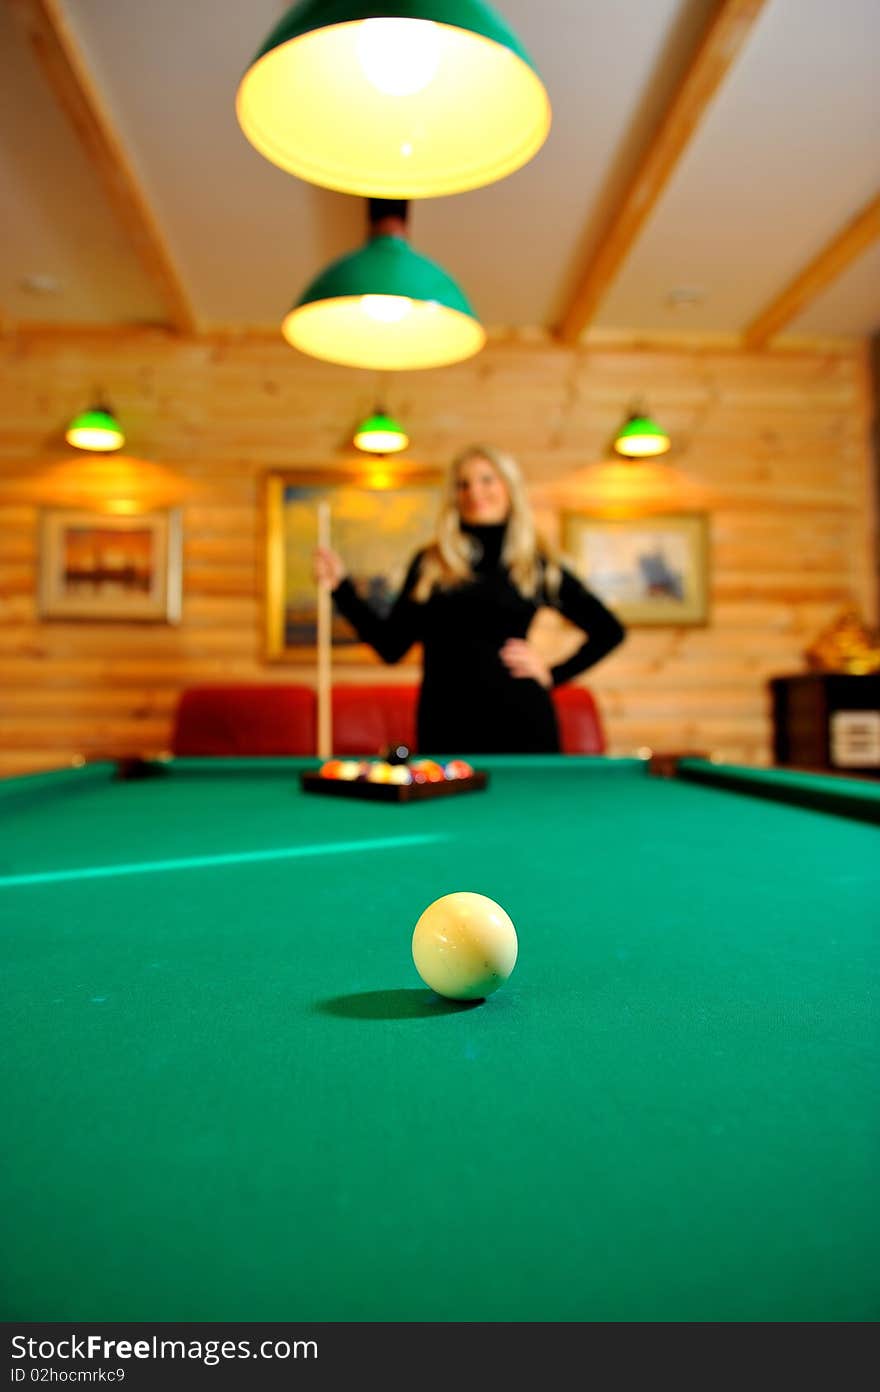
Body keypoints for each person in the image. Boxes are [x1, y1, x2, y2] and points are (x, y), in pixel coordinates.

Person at [313, 445, 626, 754]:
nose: (474, 491)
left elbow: (609, 631)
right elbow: (390, 647)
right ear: (454, 497)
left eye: (487, 479)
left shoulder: (534, 564)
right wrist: (342, 589)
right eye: (463, 484)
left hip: (522, 724)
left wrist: (552, 673)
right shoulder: (431, 563)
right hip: (445, 724)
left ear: (508, 488)